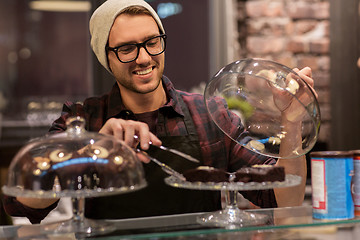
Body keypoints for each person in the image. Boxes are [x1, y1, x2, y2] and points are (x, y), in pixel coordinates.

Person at [3, 0, 315, 224]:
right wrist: (93, 149)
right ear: (105, 57)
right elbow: (21, 205)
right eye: (126, 48)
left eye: (152, 42)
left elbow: (283, 200)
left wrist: (292, 119)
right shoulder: (82, 119)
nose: (143, 58)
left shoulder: (210, 113)